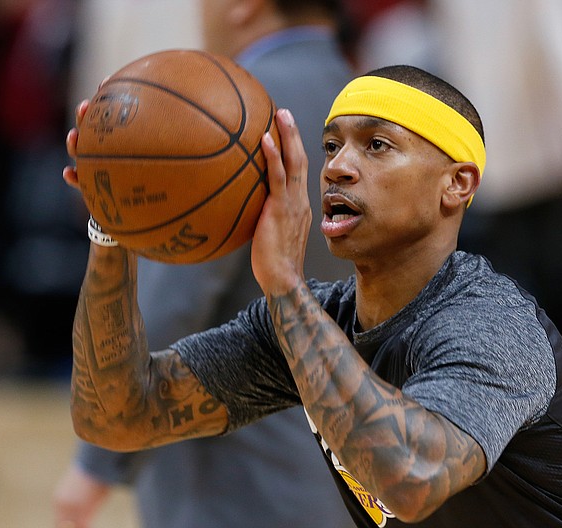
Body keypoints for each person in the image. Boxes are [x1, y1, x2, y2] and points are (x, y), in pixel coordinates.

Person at [62, 64, 562, 526]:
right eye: (331, 146)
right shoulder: (306, 321)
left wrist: (285, 286)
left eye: (376, 145)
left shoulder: (492, 324)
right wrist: (112, 228)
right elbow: (118, 416)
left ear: (457, 184)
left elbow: (408, 481)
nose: (338, 167)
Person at [53, 1, 356, 527]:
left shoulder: (226, 106)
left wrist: (98, 462)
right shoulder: (361, 98)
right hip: (337, 466)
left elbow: (175, 298)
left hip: (230, 473)